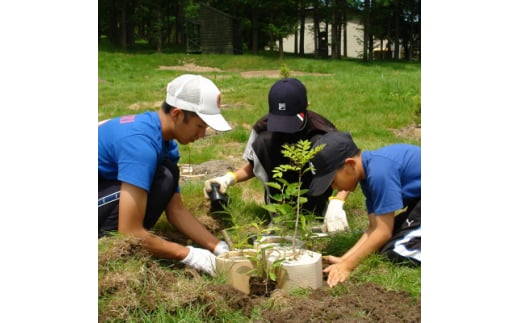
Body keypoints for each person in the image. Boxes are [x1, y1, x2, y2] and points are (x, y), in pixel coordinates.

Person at [98, 74, 232, 276]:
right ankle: (104, 244)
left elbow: (176, 210)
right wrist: (187, 254)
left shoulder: (166, 145)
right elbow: (129, 231)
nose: (203, 134)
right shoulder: (140, 145)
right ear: (177, 114)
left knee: (166, 175)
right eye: (200, 126)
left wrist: (217, 247)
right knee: (161, 178)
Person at [203, 78, 349, 232]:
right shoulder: (262, 129)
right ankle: (279, 216)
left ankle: (317, 213)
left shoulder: (323, 131)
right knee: (264, 141)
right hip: (279, 205)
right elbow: (256, 165)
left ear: (306, 106)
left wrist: (338, 202)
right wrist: (229, 179)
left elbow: (348, 173)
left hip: (315, 205)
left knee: (319, 144)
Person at [308, 131, 421, 287]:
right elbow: (374, 227)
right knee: (387, 242)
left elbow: (383, 232)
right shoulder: (367, 175)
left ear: (349, 165)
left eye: (332, 181)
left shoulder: (379, 173)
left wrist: (347, 267)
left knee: (396, 251)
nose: (334, 188)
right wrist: (345, 259)